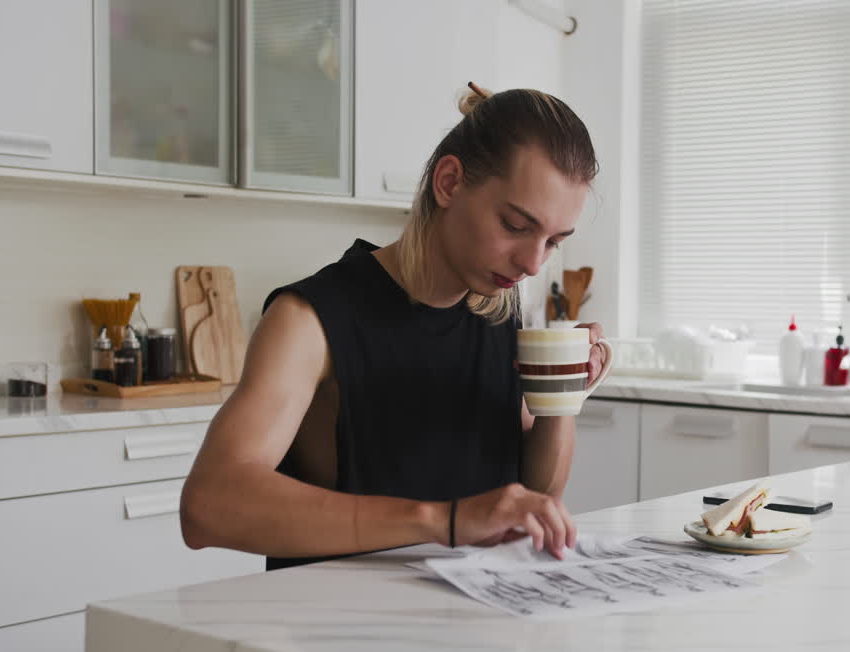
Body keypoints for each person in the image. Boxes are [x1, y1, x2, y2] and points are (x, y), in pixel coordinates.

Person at [179, 83, 603, 570]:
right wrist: (443, 520)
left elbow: (535, 498)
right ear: (449, 182)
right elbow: (208, 506)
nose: (532, 263)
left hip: (469, 608)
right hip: (341, 613)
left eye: (553, 242)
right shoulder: (309, 319)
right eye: (515, 225)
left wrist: (562, 395)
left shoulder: (498, 311)